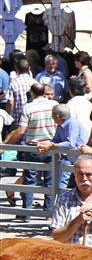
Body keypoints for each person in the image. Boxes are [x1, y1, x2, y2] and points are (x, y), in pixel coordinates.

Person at [3, 82, 58, 218]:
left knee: (29, 180)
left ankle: (25, 214)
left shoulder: (29, 107)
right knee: (50, 180)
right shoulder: (54, 105)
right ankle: (48, 211)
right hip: (51, 146)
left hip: (33, 147)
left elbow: (21, 130)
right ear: (44, 92)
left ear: (32, 93)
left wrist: (6, 144)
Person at [36, 104, 89, 199]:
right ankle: (60, 205)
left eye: (52, 115)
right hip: (68, 157)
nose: (51, 117)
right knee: (60, 184)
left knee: (81, 183)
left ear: (58, 116)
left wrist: (51, 145)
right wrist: (45, 144)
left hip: (80, 157)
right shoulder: (60, 125)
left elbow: (70, 144)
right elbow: (56, 139)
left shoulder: (72, 123)